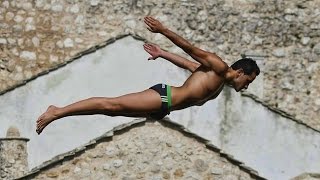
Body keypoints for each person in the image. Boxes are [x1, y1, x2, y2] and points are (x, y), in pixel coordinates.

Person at [36, 16, 260, 134]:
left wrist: (162, 53)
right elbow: (191, 50)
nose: (247, 86)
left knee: (110, 113)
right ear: (240, 71)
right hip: (164, 98)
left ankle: (61, 113)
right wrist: (163, 31)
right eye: (248, 80)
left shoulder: (218, 81)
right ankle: (58, 111)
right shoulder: (219, 67)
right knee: (110, 105)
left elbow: (189, 64)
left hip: (163, 107)